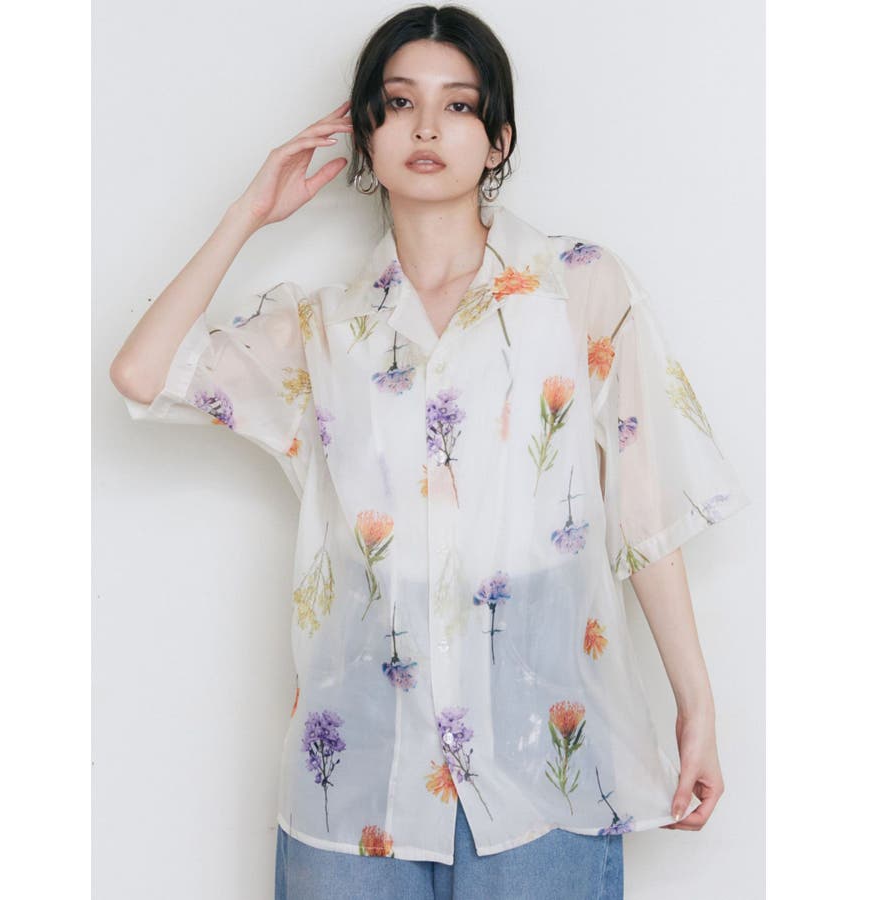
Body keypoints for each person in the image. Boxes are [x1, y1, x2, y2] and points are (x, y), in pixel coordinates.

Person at [110, 5, 751, 899]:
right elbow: (142, 373)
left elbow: (646, 510)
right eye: (400, 102)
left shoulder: (580, 289)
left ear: (498, 141)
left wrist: (697, 706)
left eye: (458, 105)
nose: (425, 127)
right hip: (357, 774)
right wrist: (248, 213)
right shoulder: (321, 329)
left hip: (545, 765)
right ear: (366, 134)